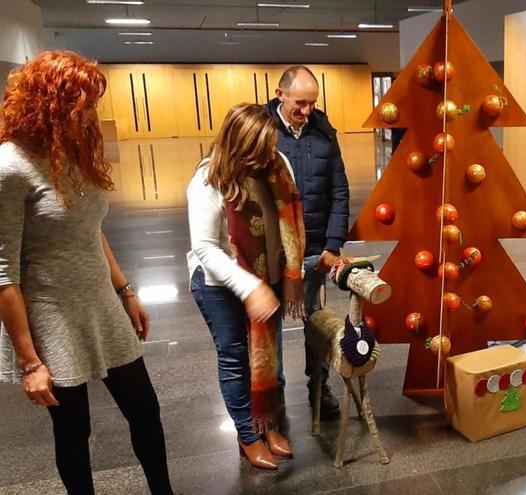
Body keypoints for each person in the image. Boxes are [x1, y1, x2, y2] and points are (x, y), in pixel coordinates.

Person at [0, 51, 174, 494]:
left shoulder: (72, 151)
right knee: (74, 430)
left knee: (145, 410)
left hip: (100, 302)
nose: (91, 114)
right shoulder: (11, 166)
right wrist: (29, 362)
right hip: (51, 313)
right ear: (48, 102)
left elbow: (93, 230)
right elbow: (3, 274)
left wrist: (126, 291)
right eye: (83, 103)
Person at [188, 103, 305, 470]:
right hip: (219, 284)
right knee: (237, 359)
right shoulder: (210, 179)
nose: (269, 153)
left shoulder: (277, 166)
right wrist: (250, 287)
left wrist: (284, 274)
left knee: (268, 359)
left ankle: (268, 424)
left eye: (271, 144)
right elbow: (205, 248)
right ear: (238, 145)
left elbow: (288, 220)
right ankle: (247, 433)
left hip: (265, 278)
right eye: (260, 147)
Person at [268, 65, 350, 417]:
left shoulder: (324, 132)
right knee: (269, 330)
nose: (306, 111)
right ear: (280, 94)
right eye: (299, 103)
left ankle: (320, 388)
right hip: (272, 253)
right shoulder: (261, 131)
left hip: (316, 250)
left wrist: (333, 244)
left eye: (312, 104)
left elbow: (339, 191)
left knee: (315, 324)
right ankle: (273, 396)